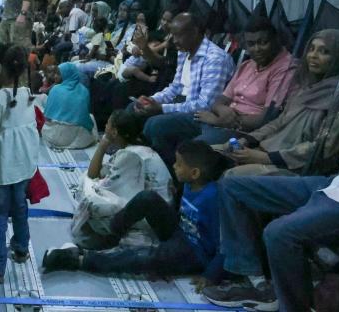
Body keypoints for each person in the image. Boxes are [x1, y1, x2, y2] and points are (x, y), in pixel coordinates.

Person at [201, 110, 339, 311]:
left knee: (280, 233)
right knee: (233, 187)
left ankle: (293, 307)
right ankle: (255, 280)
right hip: (337, 184)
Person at [43, 141, 227, 286]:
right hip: (181, 233)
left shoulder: (213, 199)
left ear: (194, 172)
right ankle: (112, 232)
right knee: (147, 198)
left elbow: (225, 244)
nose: (174, 166)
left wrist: (210, 276)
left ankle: (82, 260)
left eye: (179, 164)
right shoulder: (189, 184)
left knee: (145, 257)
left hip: (195, 254)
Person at [217, 29, 339, 177]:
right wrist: (248, 140)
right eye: (311, 49)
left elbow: (325, 148)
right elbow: (279, 122)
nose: (313, 55)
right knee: (209, 154)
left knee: (229, 175)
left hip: (300, 168)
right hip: (268, 151)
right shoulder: (306, 86)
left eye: (324, 52)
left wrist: (267, 158)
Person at [137, 13, 236, 166]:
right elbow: (175, 88)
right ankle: (140, 164)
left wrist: (162, 108)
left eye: (178, 35)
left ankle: (170, 174)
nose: (174, 41)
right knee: (135, 108)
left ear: (195, 32)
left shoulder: (215, 59)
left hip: (201, 115)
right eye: (172, 35)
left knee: (155, 125)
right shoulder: (184, 51)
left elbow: (205, 104)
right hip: (182, 104)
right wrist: (152, 100)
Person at [0, 44, 41, 283]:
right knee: (20, 209)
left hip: (0, 170)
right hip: (23, 167)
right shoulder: (27, 94)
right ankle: (21, 249)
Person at [69, 107, 173, 249]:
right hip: (152, 209)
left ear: (114, 131)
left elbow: (101, 184)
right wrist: (102, 147)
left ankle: (112, 238)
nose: (105, 126)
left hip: (150, 218)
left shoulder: (131, 156)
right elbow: (94, 174)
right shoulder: (133, 149)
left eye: (107, 124)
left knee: (91, 201)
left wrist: (101, 149)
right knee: (87, 181)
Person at [41, 63, 97, 149]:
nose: (55, 76)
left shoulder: (55, 89)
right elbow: (84, 117)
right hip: (77, 138)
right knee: (91, 118)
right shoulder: (84, 91)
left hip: (54, 136)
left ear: (66, 75)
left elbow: (47, 117)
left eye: (58, 74)